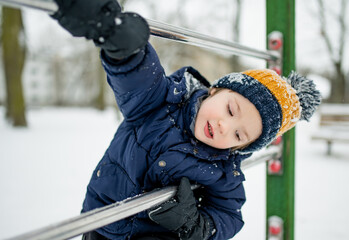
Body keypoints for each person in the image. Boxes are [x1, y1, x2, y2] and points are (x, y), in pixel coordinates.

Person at [51, 0, 321, 239]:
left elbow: (229, 215)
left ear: (242, 148)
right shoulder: (160, 103)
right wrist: (123, 42)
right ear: (214, 90)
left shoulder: (225, 170)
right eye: (230, 109)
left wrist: (196, 225)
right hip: (102, 224)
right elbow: (139, 77)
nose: (224, 127)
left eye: (239, 136)